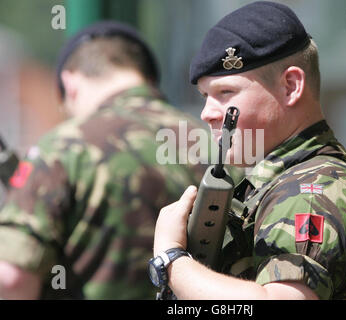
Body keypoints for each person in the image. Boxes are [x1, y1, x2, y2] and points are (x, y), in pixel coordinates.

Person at [151, 1, 346, 300]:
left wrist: (172, 261)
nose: (207, 113)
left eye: (226, 93)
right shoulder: (278, 182)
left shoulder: (310, 191)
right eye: (204, 97)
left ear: (290, 86)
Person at [0, 21, 211, 299]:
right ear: (147, 77)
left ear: (69, 84)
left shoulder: (63, 146)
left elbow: (12, 278)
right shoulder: (210, 143)